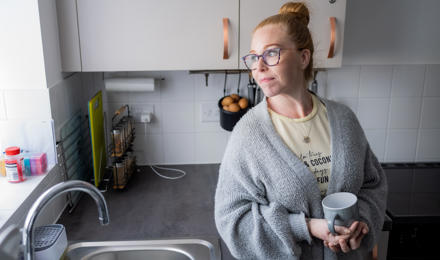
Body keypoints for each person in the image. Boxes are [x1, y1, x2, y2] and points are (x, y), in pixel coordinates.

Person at [214, 2, 387, 259]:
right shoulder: (248, 135)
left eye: (271, 54)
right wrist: (306, 227)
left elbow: (373, 186)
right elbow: (232, 220)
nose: (258, 67)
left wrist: (361, 224)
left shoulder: (344, 119)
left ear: (303, 57)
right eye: (253, 57)